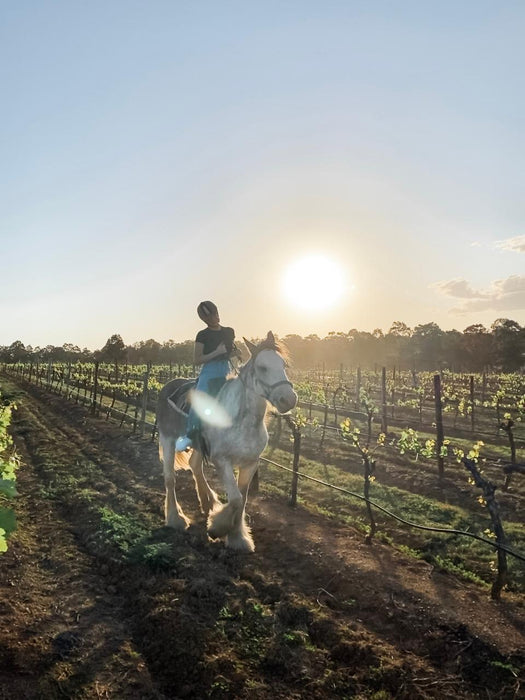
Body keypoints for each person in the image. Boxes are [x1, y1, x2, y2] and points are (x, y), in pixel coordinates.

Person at [172, 301, 241, 451]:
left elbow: (231, 351)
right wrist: (217, 352)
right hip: (209, 371)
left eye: (215, 314)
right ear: (204, 320)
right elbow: (197, 360)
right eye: (209, 318)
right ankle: (189, 436)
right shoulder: (202, 335)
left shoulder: (229, 331)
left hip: (227, 369)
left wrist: (236, 353)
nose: (215, 318)